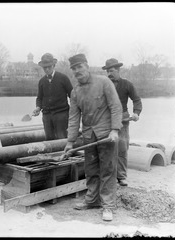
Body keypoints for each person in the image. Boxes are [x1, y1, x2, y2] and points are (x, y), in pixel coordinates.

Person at [63, 53, 123, 221]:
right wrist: (70, 141)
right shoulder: (75, 92)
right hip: (88, 137)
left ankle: (108, 205)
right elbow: (74, 118)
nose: (77, 71)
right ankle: (92, 200)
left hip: (106, 135)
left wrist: (115, 130)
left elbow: (116, 107)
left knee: (108, 169)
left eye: (79, 67)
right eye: (74, 68)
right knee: (91, 170)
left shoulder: (104, 82)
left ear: (87, 66)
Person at [102, 58, 143, 187]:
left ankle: (121, 176)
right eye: (108, 71)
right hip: (106, 119)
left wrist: (136, 112)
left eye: (112, 71)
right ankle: (109, 176)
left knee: (122, 147)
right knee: (107, 148)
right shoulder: (103, 85)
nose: (109, 73)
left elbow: (136, 99)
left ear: (118, 70)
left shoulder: (127, 84)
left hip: (123, 119)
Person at [32, 53, 73, 140]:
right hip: (47, 116)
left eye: (49, 67)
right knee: (49, 140)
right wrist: (38, 107)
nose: (47, 69)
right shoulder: (42, 81)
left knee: (62, 139)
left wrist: (73, 113)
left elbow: (72, 96)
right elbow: (39, 98)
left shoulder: (63, 78)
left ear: (53, 65)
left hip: (61, 115)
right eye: (44, 68)